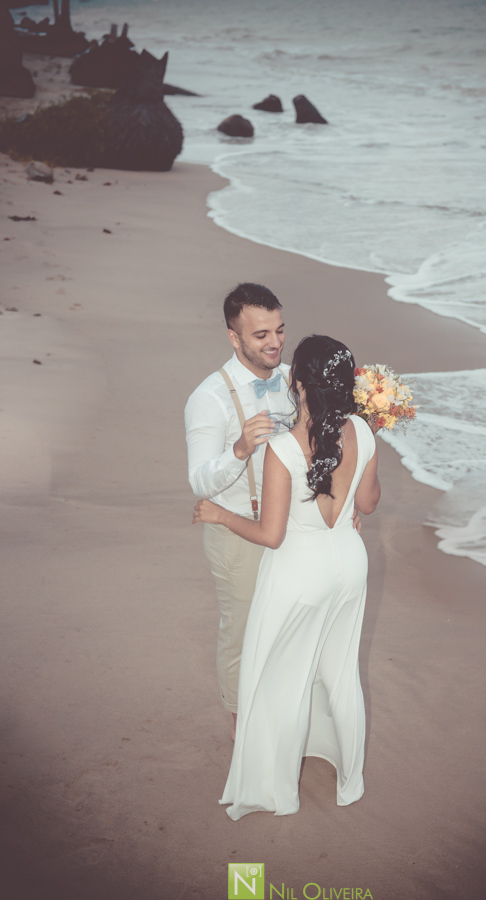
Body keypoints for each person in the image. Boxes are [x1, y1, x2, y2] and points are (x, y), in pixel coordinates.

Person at [193, 335, 381, 819]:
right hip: (350, 566)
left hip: (300, 575)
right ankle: (350, 782)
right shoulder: (363, 427)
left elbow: (271, 535)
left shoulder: (283, 448)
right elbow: (367, 504)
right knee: (341, 675)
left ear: (297, 385)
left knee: (279, 677)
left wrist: (220, 516)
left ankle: (276, 788)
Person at [184, 283, 293, 739]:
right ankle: (244, 736)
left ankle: (282, 721)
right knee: (244, 636)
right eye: (261, 334)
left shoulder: (292, 379)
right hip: (237, 535)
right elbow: (200, 482)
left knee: (287, 629)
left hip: (292, 528)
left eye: (280, 330)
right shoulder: (208, 398)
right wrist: (240, 448)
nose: (274, 343)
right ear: (235, 338)